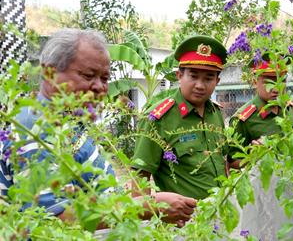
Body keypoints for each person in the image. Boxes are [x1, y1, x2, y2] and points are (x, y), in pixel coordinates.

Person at [0, 28, 195, 227]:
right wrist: (146, 208)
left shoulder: (69, 124)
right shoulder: (38, 131)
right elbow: (54, 220)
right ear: (50, 72)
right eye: (88, 75)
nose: (100, 87)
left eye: (104, 78)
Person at [132, 35, 227, 200]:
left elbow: (223, 160)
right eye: (193, 76)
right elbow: (140, 175)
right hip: (185, 221)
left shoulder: (216, 113)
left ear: (217, 81)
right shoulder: (159, 119)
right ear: (179, 76)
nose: (200, 85)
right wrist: (146, 214)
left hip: (222, 213)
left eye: (208, 78)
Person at [228, 54, 293, 240]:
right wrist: (252, 154)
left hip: (291, 188)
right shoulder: (244, 118)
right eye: (268, 81)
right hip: (260, 194)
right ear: (255, 81)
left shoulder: (289, 110)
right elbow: (230, 162)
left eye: (281, 80)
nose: (276, 87)